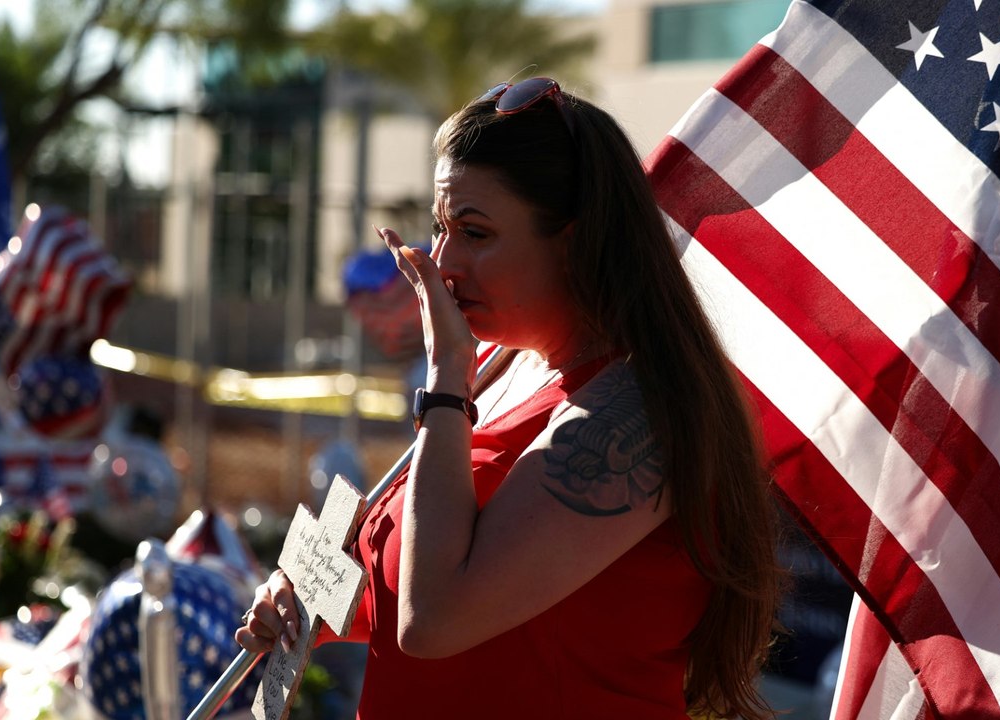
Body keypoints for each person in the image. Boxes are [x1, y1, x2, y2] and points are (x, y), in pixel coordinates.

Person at [236, 77, 783, 719]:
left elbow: (434, 619)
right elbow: (413, 585)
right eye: (441, 229)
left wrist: (445, 382)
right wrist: (305, 601)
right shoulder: (504, 375)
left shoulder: (639, 408)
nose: (442, 262)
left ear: (577, 240)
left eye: (475, 232)